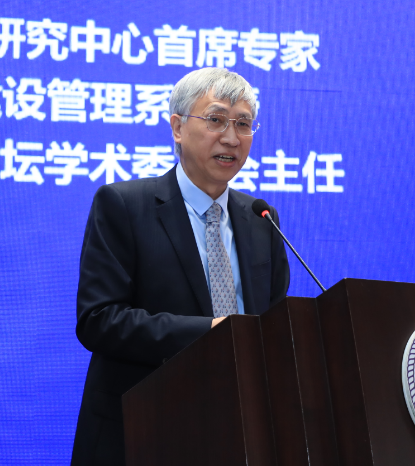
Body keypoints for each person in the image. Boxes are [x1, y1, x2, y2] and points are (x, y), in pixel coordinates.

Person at [71, 67, 290, 465]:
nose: (231, 137)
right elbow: (99, 320)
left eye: (243, 124)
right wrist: (210, 333)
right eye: (216, 119)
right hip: (142, 431)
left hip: (239, 433)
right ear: (177, 127)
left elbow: (272, 326)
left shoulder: (262, 219)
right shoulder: (124, 206)